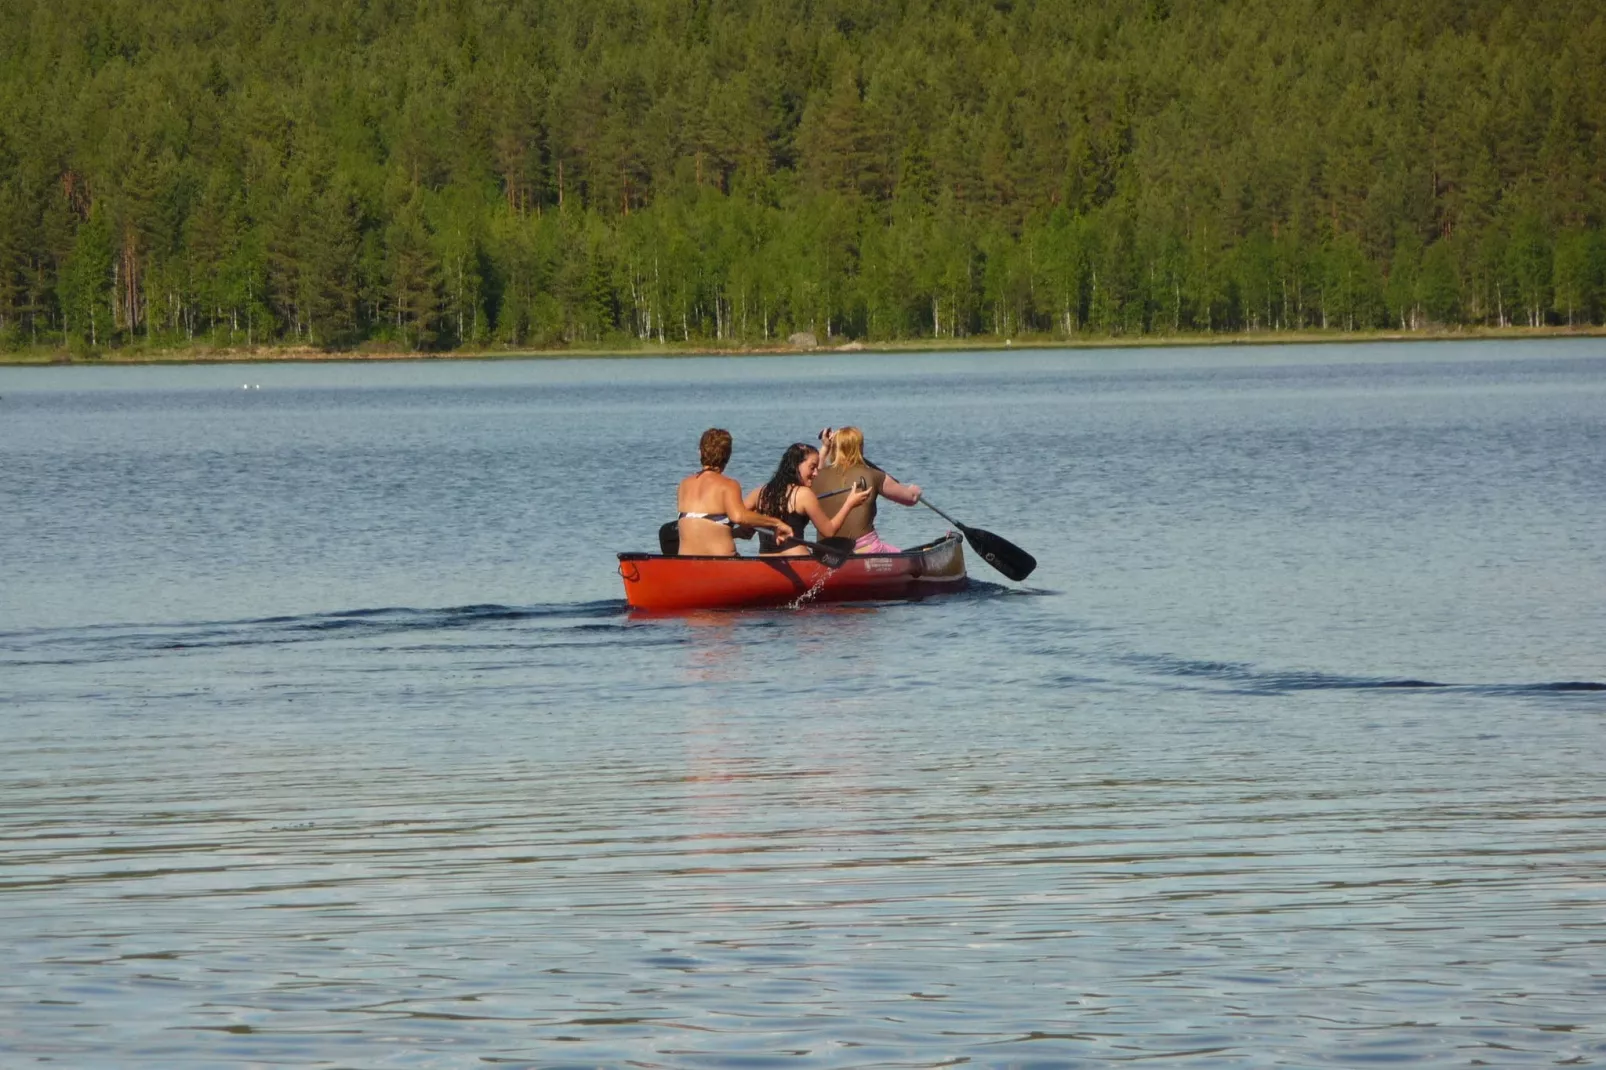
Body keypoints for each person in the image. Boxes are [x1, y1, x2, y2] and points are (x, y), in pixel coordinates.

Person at [676, 428, 793, 556]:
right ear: (728, 455)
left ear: (700, 452)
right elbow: (739, 517)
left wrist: (737, 532)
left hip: (687, 562)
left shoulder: (684, 484)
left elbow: (704, 525)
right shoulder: (728, 485)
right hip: (722, 563)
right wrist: (777, 523)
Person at [742, 443, 873, 555]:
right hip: (797, 561)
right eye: (812, 467)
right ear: (796, 466)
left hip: (765, 563)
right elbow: (828, 531)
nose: (816, 473)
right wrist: (849, 504)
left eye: (817, 468)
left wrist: (750, 527)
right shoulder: (804, 494)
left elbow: (736, 516)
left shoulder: (759, 492)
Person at [810, 426, 922, 553]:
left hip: (825, 551)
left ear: (834, 448)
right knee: (899, 554)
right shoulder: (874, 475)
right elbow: (910, 498)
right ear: (860, 448)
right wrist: (915, 491)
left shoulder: (815, 476)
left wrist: (825, 448)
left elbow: (818, 467)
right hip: (864, 549)